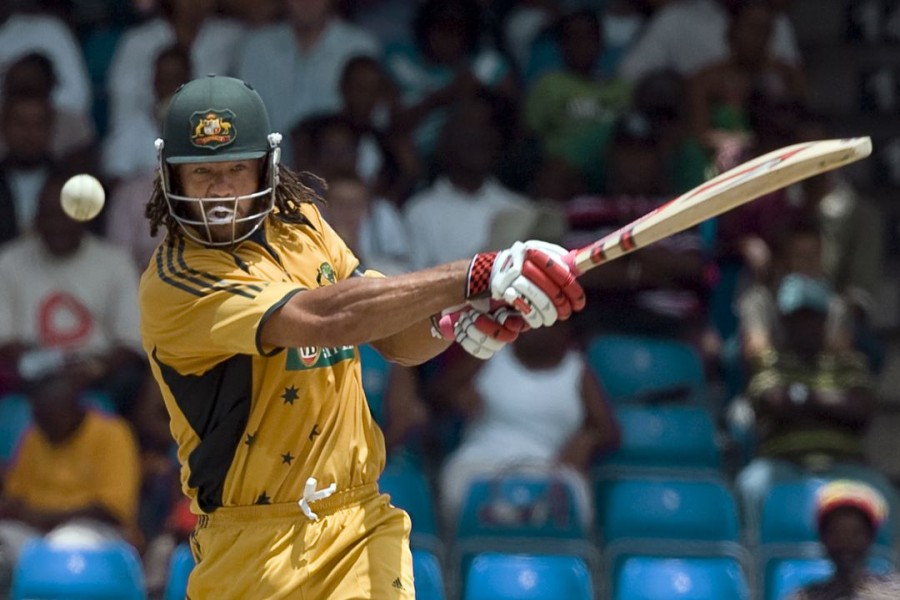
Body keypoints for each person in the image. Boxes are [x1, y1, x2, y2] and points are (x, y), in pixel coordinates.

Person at [138, 74, 585, 598]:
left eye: (235, 169)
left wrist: (453, 322)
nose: (220, 192)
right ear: (170, 176)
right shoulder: (175, 280)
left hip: (360, 524)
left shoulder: (302, 224)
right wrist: (473, 275)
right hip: (254, 549)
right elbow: (325, 318)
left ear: (266, 166)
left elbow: (394, 340)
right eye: (201, 174)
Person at [734, 273, 895, 532]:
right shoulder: (770, 361)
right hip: (784, 464)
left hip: (844, 466)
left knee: (881, 490)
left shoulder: (847, 363)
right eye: (796, 317)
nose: (804, 325)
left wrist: (802, 398)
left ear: (825, 321)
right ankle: (756, 565)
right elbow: (773, 403)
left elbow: (861, 409)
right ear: (783, 321)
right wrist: (834, 406)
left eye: (813, 317)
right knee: (752, 485)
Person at [437, 320, 619, 529]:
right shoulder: (489, 354)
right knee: (457, 487)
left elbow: (608, 431)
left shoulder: (577, 371)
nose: (537, 330)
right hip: (479, 461)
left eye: (546, 324)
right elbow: (437, 394)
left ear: (564, 329)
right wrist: (458, 397)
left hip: (547, 467)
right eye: (531, 323)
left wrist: (589, 439)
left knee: (574, 498)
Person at [0, 171, 146, 412]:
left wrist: (93, 370)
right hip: (30, 375)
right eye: (50, 215)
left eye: (67, 215)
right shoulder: (8, 262)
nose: (58, 224)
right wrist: (49, 368)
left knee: (131, 379)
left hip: (98, 375)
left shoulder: (116, 263)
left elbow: (131, 343)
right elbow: (5, 341)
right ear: (36, 218)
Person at [0, 353, 142, 565]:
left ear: (71, 408)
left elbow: (111, 511)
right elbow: (15, 499)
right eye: (40, 418)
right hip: (34, 534)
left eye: (50, 417)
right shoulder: (35, 436)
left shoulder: (112, 433)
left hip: (98, 535)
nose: (44, 426)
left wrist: (43, 517)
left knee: (66, 543)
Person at [787, 480, 900, 600]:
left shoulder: (894, 593)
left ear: (870, 537)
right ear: (823, 538)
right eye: (837, 532)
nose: (846, 542)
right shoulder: (804, 597)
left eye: (855, 533)